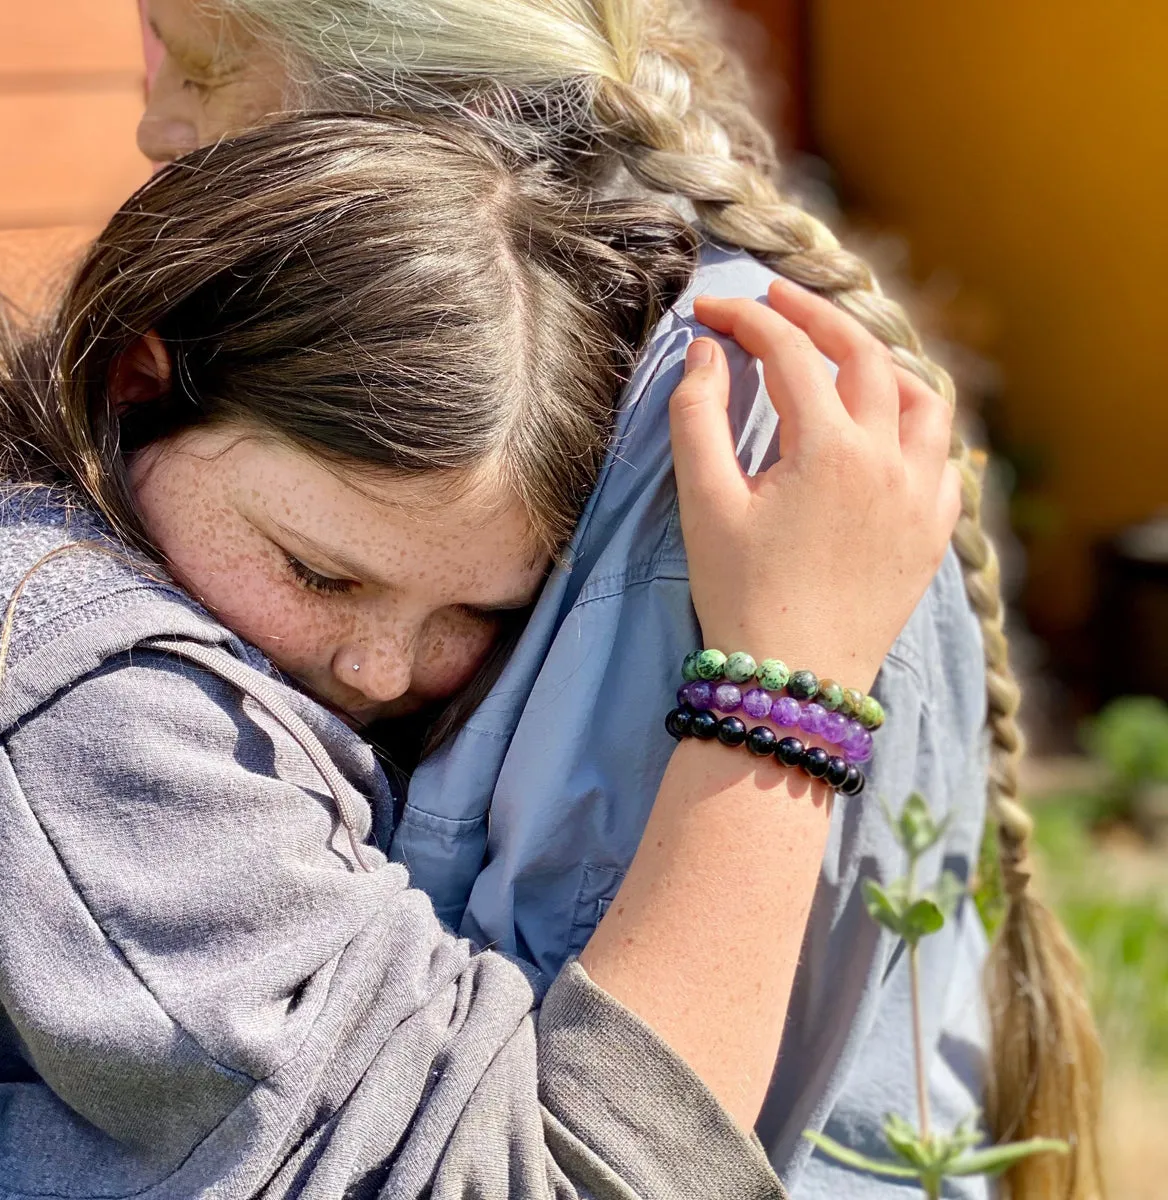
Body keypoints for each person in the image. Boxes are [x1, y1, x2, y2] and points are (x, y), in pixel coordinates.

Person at [131, 4, 1103, 1197]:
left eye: (211, 59)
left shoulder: (718, 437)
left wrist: (780, 697)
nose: (155, 123)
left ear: (430, 73)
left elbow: (592, 1162)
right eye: (152, 37)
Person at [0, 113, 957, 1197]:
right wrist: (789, 688)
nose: (385, 671)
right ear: (136, 384)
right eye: (321, 573)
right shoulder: (85, 699)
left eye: (476, 616)